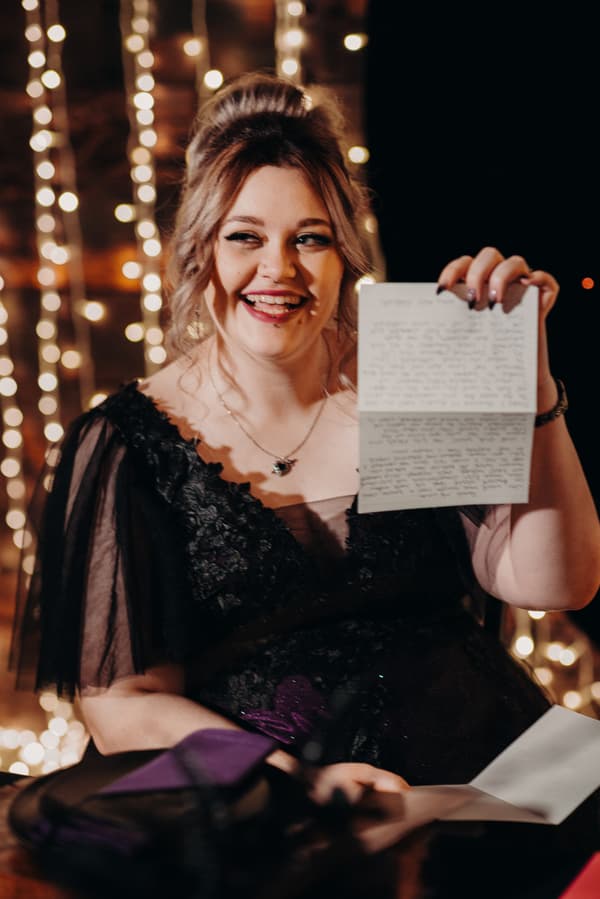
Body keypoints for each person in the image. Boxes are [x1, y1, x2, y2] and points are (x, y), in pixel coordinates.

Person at [10, 70, 600, 808]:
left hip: (501, 781)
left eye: (310, 239)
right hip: (269, 817)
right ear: (199, 252)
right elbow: (124, 704)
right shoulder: (123, 444)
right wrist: (301, 785)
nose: (278, 269)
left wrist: (527, 376)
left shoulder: (414, 375)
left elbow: (554, 584)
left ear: (344, 255)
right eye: (245, 237)